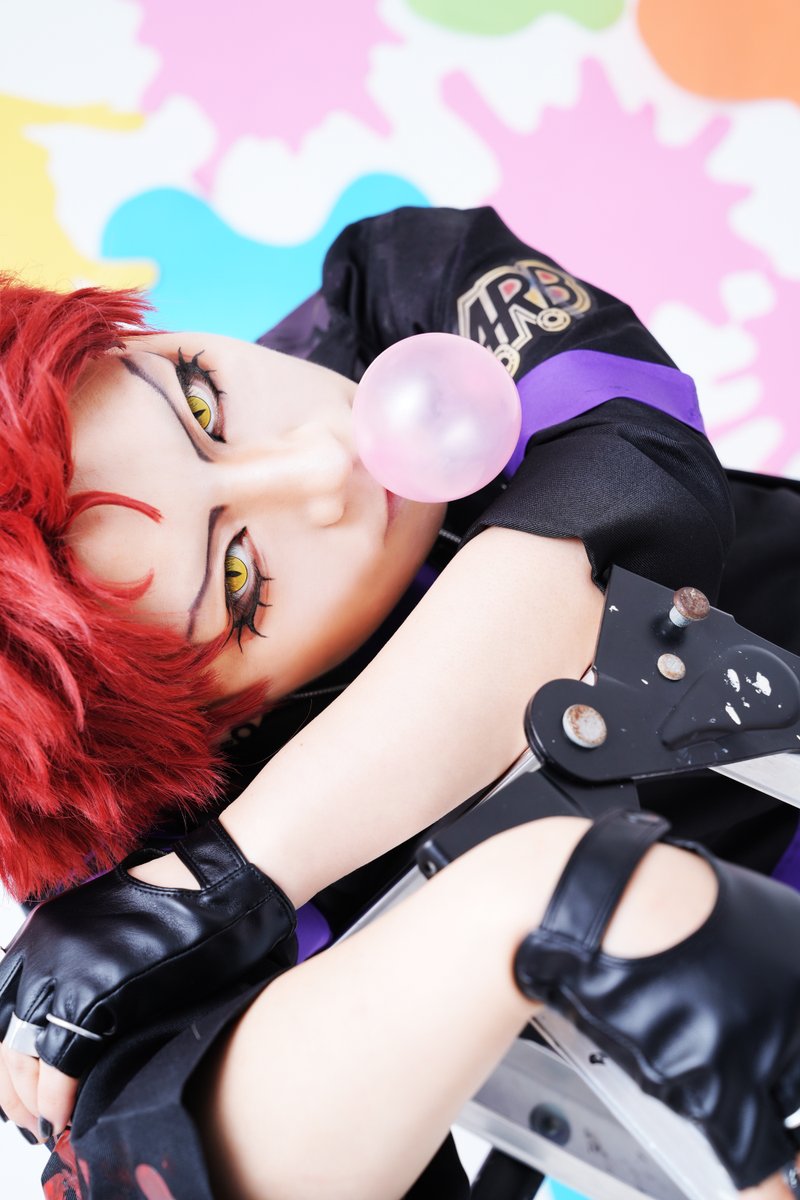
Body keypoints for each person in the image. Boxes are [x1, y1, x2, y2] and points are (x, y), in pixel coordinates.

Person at [1, 206, 799, 1200]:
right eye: (242, 580)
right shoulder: (134, 851)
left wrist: (230, 872)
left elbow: (625, 482)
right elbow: (155, 1164)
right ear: (213, 723)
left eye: (202, 399)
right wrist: (535, 904)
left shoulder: (393, 292)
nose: (322, 463)